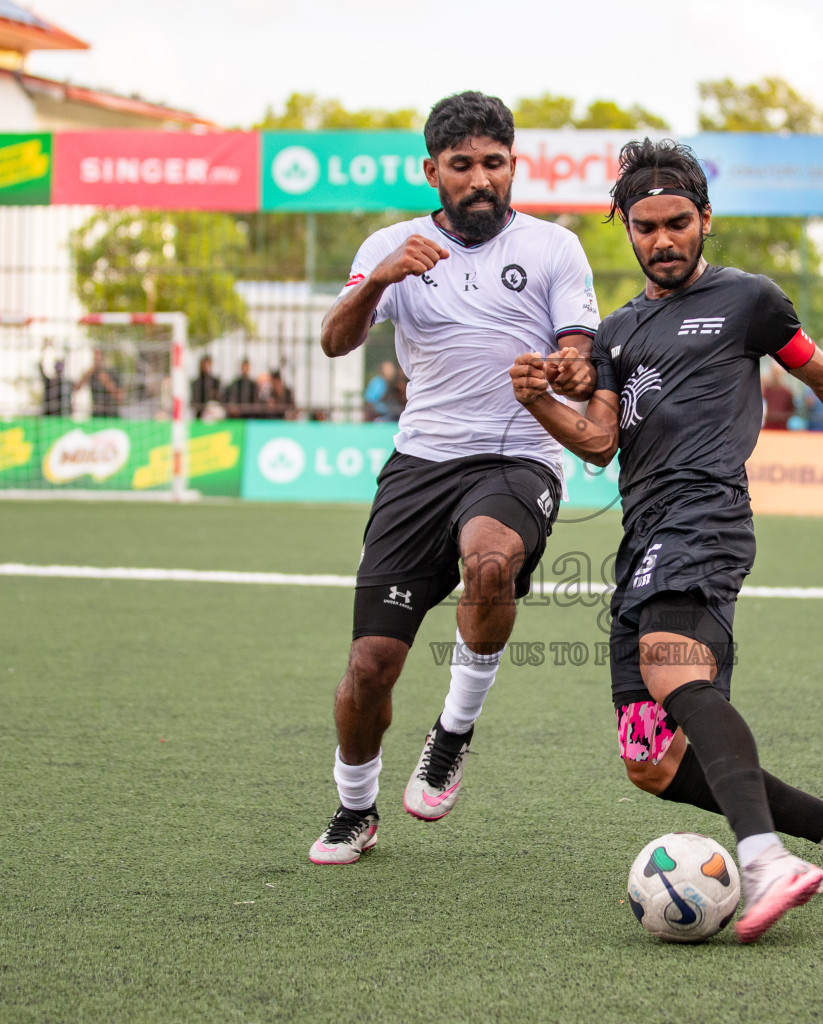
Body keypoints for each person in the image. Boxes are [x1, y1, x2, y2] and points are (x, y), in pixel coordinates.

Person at [509, 139, 823, 943]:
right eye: (646, 225)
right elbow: (596, 443)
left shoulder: (750, 300)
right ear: (625, 227)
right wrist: (537, 400)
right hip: (643, 530)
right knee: (650, 760)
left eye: (678, 221)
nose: (663, 239)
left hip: (708, 512)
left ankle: (761, 858)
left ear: (705, 219)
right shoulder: (616, 332)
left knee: (671, 663)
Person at [309, 92, 600, 866]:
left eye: (494, 164)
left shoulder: (554, 248)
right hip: (419, 464)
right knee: (371, 665)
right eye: (463, 165)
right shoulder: (392, 245)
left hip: (516, 455)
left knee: (491, 559)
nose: (481, 179)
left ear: (514, 166)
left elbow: (579, 359)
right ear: (432, 170)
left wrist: (565, 369)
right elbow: (336, 341)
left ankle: (453, 732)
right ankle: (355, 808)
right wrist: (376, 280)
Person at [761, 364, 795, 430]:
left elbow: (791, 409)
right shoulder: (766, 390)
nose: (775, 376)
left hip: (781, 426)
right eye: (774, 373)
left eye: (777, 373)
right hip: (768, 426)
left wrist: (781, 416)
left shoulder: (787, 392)